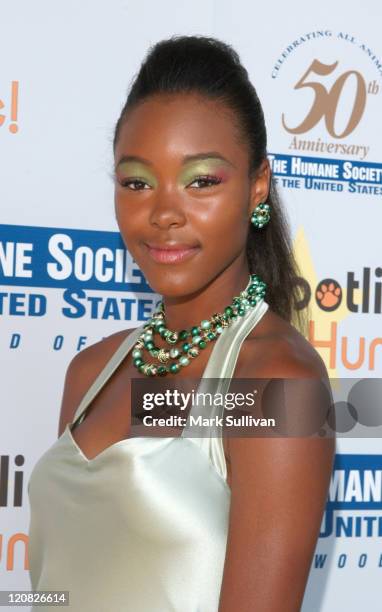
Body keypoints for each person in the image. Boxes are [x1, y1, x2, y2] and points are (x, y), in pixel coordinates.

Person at [27, 35, 335, 611]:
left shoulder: (276, 388)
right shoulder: (90, 372)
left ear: (257, 186)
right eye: (137, 182)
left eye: (201, 181)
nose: (164, 212)